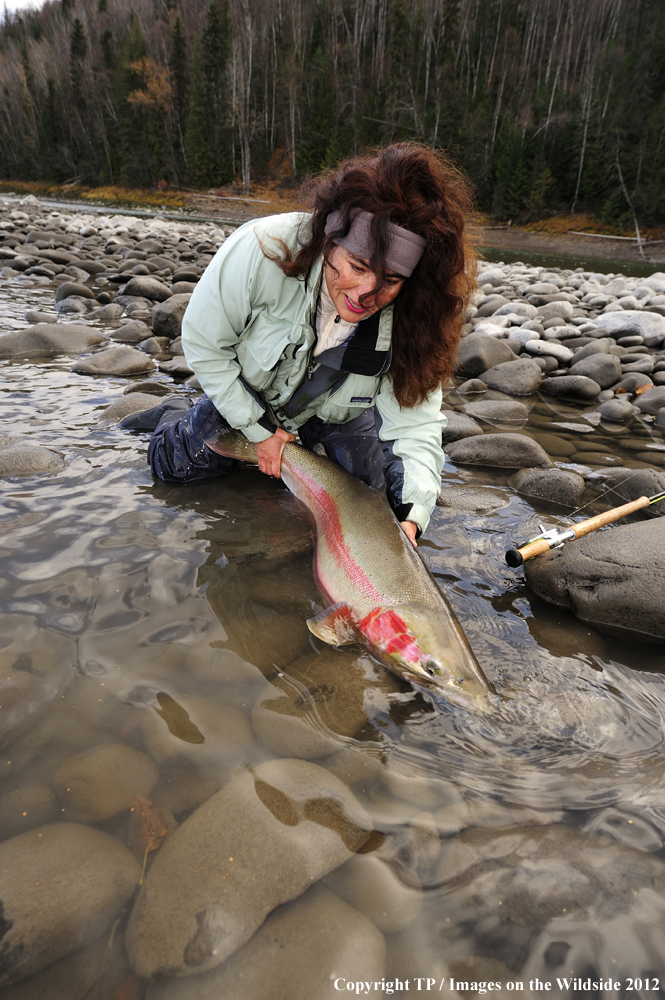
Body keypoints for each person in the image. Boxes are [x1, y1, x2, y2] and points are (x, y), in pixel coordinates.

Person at [138, 143, 475, 545]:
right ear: (330, 238)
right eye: (357, 267)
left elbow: (415, 424)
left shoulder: (418, 315)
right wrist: (259, 431)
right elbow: (204, 343)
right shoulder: (264, 248)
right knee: (174, 471)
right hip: (252, 396)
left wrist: (413, 515)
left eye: (391, 280)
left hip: (336, 416)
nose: (366, 293)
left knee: (375, 503)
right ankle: (172, 414)